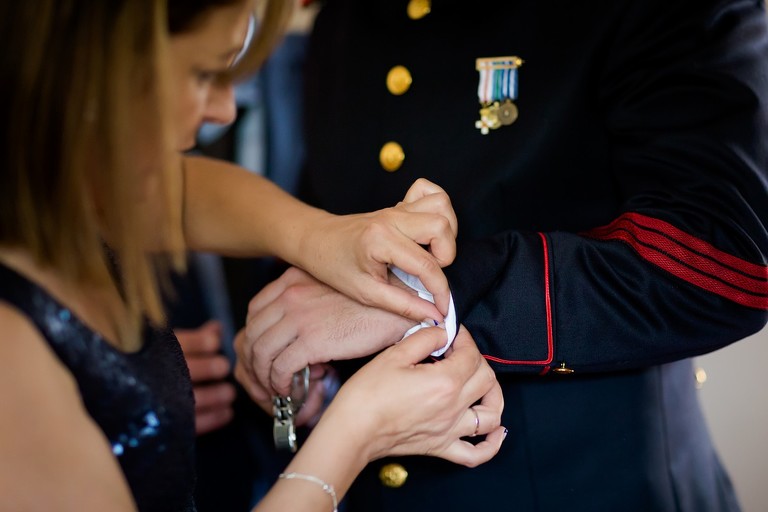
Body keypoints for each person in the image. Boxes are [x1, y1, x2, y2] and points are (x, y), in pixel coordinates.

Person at [236, 0, 768, 510]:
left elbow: (727, 256)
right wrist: (306, 350)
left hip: (593, 489)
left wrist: (410, 299)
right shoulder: (346, 20)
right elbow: (333, 210)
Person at [0, 1, 506, 511]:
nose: (223, 109)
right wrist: (359, 429)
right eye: (204, 73)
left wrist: (322, 236)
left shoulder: (55, 189)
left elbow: (181, 196)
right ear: (96, 67)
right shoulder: (10, 353)